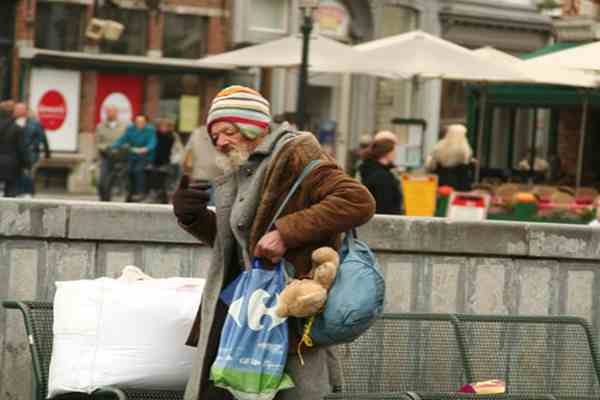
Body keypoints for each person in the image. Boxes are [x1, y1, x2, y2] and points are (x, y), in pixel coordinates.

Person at [172, 85, 375, 400]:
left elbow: (357, 200)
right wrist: (191, 216)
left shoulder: (295, 152)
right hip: (243, 315)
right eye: (215, 136)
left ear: (254, 126)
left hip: (285, 315)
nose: (221, 142)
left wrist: (286, 232)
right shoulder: (242, 166)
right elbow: (239, 246)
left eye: (228, 131)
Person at [111, 115, 157, 202]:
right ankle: (130, 191)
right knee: (128, 170)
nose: (140, 124)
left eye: (142, 122)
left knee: (138, 170)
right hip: (132, 155)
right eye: (138, 122)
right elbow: (122, 139)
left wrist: (145, 149)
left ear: (146, 123)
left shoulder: (150, 130)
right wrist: (114, 146)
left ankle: (140, 192)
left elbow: (152, 142)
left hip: (145, 156)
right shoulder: (130, 129)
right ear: (135, 122)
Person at [14, 102, 50, 197]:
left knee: (28, 173)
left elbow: (42, 137)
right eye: (16, 109)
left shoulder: (34, 123)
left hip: (30, 153)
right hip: (16, 153)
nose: (17, 111)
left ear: (25, 111)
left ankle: (28, 193)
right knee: (19, 173)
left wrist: (43, 151)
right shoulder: (11, 122)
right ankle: (19, 192)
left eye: (20, 109)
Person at [359, 137, 403, 215]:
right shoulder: (383, 177)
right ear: (387, 153)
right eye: (394, 151)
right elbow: (386, 206)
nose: (395, 154)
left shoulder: (369, 169)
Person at [425, 124, 475, 192]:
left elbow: (431, 165)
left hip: (440, 184)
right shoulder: (465, 149)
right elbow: (466, 165)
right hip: (459, 186)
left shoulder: (438, 147)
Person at [145, 118, 183, 203]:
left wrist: (174, 161)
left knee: (169, 177)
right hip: (154, 162)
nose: (164, 128)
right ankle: (154, 194)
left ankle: (167, 195)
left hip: (168, 162)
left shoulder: (173, 136)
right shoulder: (154, 134)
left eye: (166, 126)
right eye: (162, 126)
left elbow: (178, 150)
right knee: (153, 176)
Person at [95, 105, 127, 201]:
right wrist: (105, 148)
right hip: (106, 156)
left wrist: (120, 149)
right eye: (108, 112)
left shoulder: (124, 126)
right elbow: (97, 142)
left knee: (114, 181)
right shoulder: (100, 126)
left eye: (112, 112)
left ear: (116, 113)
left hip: (119, 156)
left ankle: (113, 200)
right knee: (102, 181)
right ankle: (104, 199)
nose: (110, 114)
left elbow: (127, 141)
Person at [0, 101, 28, 197]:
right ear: (13, 113)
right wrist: (26, 164)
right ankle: (7, 212)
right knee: (11, 193)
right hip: (12, 165)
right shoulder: (17, 129)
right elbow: (22, 149)